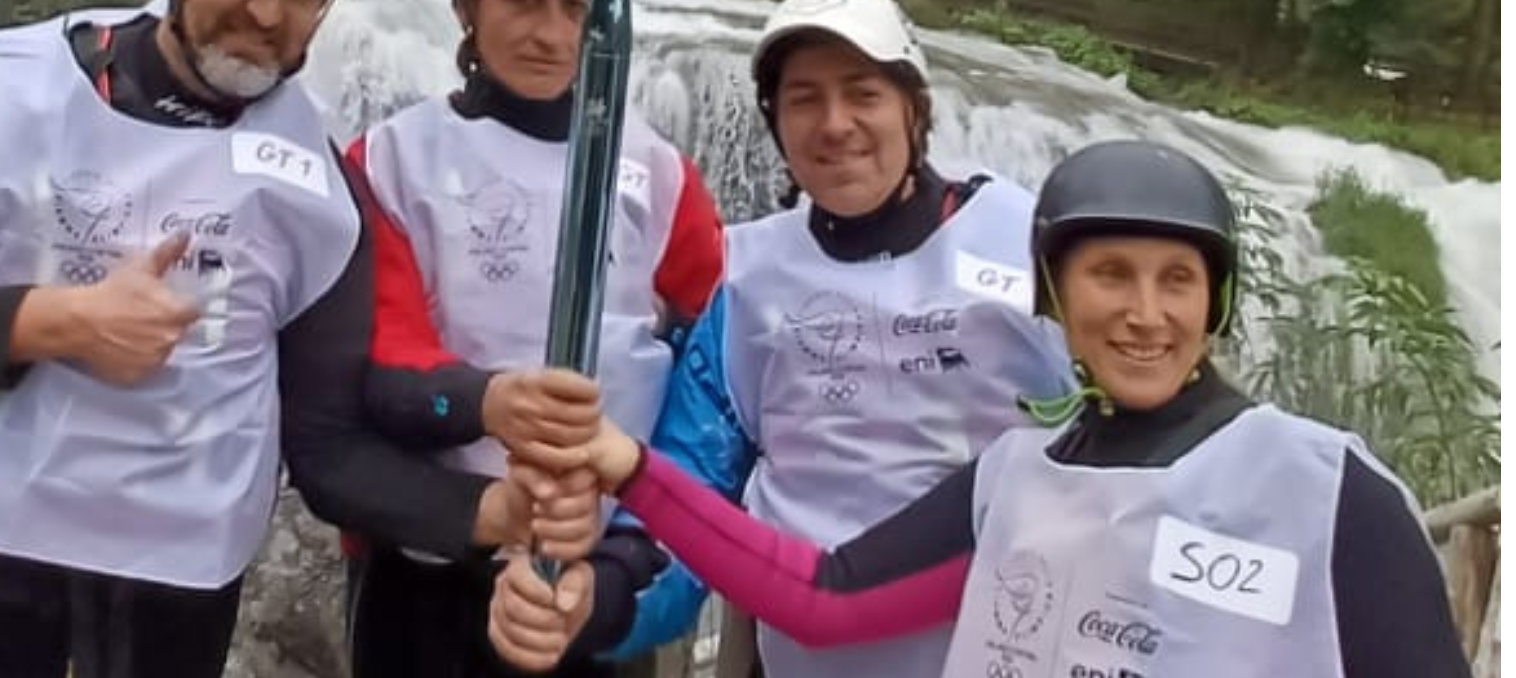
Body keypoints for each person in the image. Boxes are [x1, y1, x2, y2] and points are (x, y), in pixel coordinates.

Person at [0, 0, 541, 678]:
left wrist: (492, 510)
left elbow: (328, 446)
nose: (267, 11)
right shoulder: (7, 85)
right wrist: (59, 321)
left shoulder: (317, 190)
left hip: (164, 598)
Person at [492, 139, 1471, 678]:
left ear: (1214, 304)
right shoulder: (1014, 481)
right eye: (1110, 275)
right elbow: (822, 598)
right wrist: (632, 471)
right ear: (1055, 298)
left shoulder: (1325, 489)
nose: (1145, 313)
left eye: (1178, 280)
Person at [584, 0, 1076, 678]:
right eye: (804, 99)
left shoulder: (1034, 250)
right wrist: (606, 596)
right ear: (776, 122)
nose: (835, 123)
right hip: (789, 645)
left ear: (914, 109)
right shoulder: (749, 282)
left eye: (863, 94)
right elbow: (695, 475)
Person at [341, 0, 727, 678]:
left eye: (576, 7)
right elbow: (381, 354)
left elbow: (712, 374)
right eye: (522, 0)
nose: (552, 34)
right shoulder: (390, 163)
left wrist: (642, 534)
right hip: (434, 556)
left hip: (596, 570)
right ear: (465, 5)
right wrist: (490, 404)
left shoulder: (660, 177)